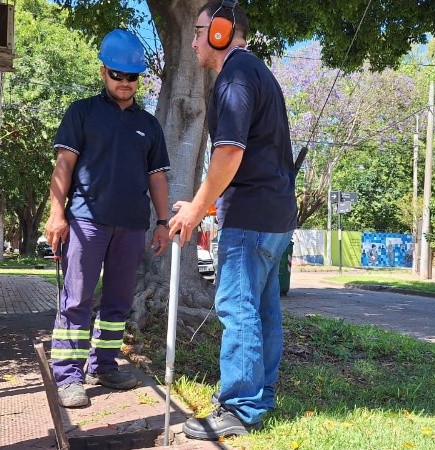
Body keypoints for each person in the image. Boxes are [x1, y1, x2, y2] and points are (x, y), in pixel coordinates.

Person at [167, 0, 297, 440]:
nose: (194, 40)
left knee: (237, 307)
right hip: (276, 215)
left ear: (221, 32)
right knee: (263, 309)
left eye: (200, 30)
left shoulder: (236, 77)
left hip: (252, 216)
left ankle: (239, 407)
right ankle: (260, 396)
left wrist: (197, 207)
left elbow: (228, 153)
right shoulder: (258, 73)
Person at [44, 28, 171, 408]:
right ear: (103, 72)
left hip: (131, 226)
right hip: (85, 221)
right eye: (117, 74)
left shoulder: (148, 125)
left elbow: (157, 176)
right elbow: (64, 163)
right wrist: (56, 214)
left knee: (117, 302)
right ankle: (68, 375)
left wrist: (162, 222)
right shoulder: (82, 113)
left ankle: (105, 365)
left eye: (132, 76)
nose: (125, 83)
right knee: (77, 298)